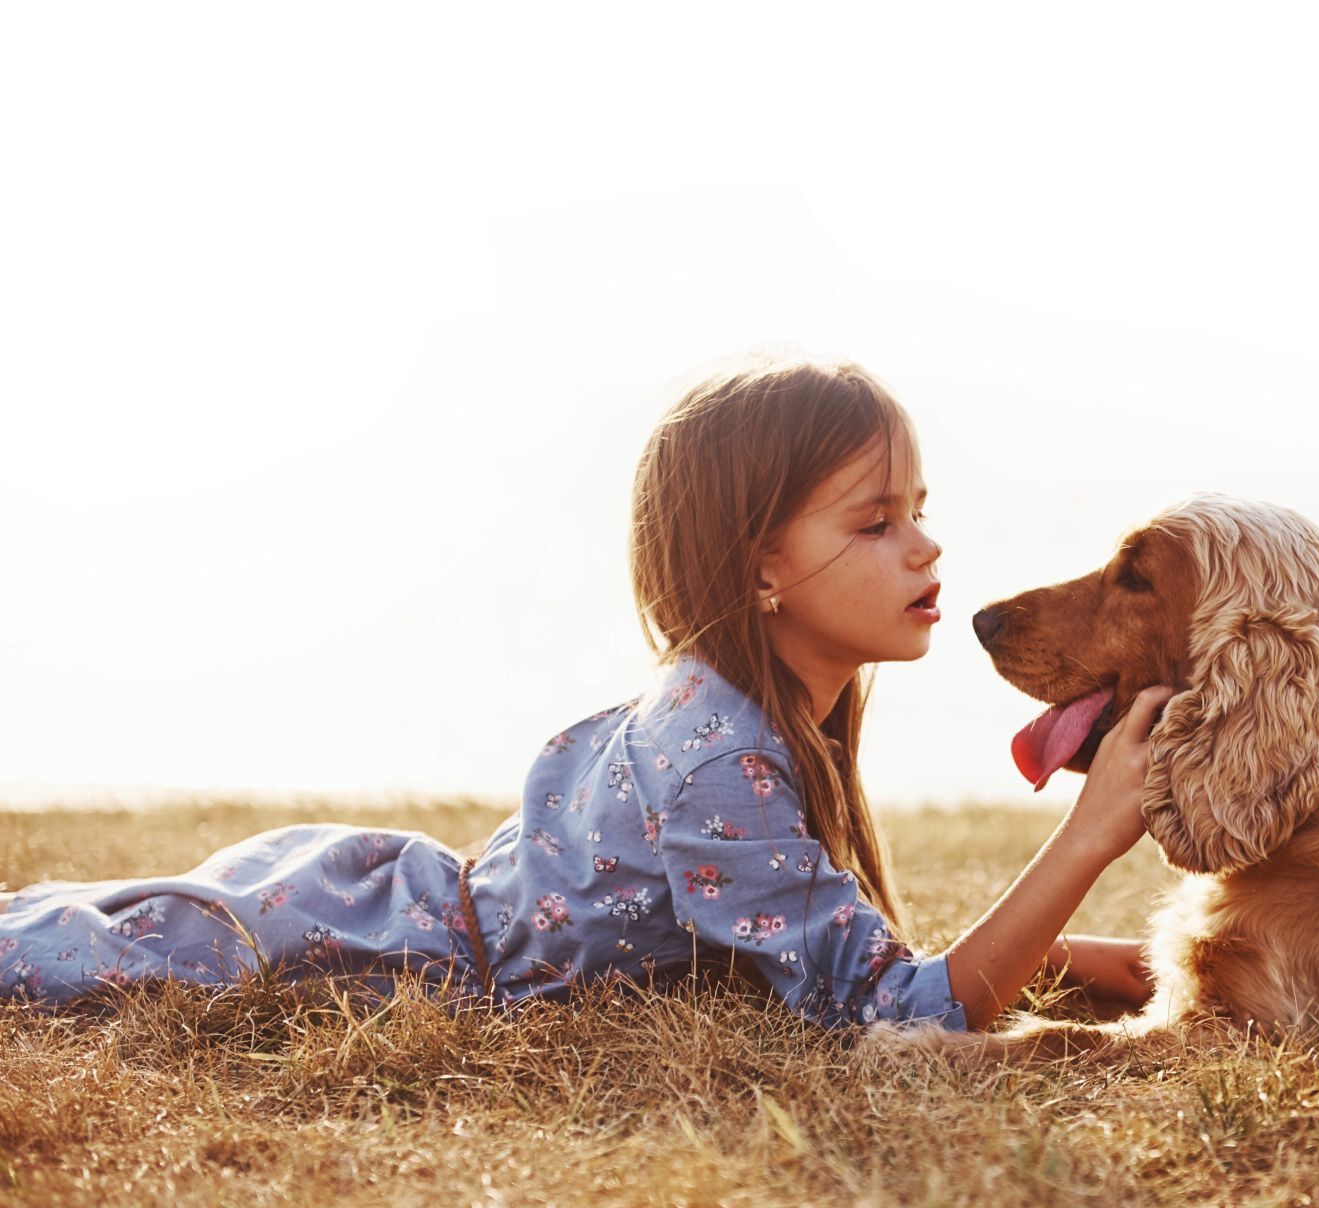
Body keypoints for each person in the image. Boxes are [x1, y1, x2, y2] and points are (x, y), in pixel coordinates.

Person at [0, 353, 1166, 1030]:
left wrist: (1099, 957)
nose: (924, 549)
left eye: (917, 509)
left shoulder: (782, 718)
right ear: (759, 563)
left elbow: (843, 956)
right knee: (52, 956)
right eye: (874, 521)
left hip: (383, 898)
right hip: (356, 947)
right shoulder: (722, 755)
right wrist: (1087, 833)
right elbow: (894, 1015)